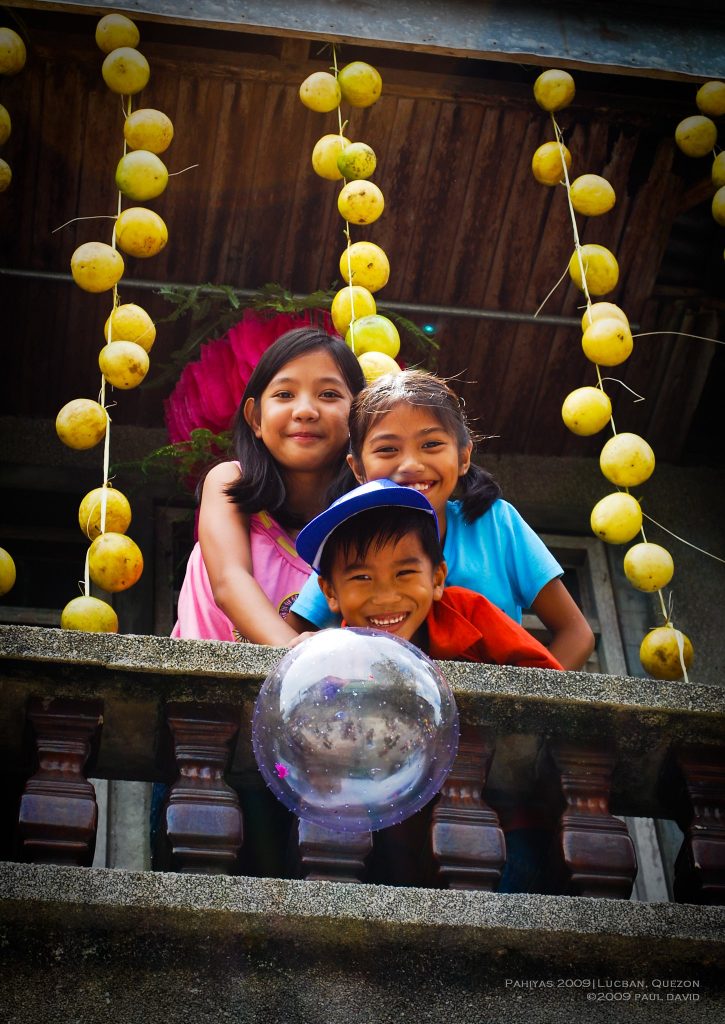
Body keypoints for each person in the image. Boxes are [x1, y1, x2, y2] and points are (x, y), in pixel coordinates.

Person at [289, 369, 595, 670]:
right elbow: (294, 635)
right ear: (358, 470)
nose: (411, 464)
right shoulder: (350, 536)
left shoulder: (498, 525)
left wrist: (521, 712)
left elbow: (576, 634)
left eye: (431, 444)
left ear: (463, 457)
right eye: (387, 449)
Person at [171, 326, 365, 645]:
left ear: (358, 418)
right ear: (256, 418)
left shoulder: (364, 518)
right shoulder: (228, 481)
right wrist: (293, 658)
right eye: (284, 394)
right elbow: (229, 581)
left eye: (329, 394)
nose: (305, 411)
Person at [295, 478, 563, 668]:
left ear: (437, 579)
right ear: (330, 591)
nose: (386, 596)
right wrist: (316, 658)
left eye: (404, 573)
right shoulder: (337, 655)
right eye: (362, 577)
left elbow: (545, 677)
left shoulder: (470, 614)